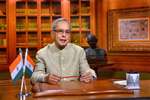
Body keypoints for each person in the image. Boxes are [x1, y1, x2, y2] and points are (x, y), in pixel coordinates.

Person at [31, 18, 96, 84]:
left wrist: (90, 76)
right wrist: (45, 78)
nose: (64, 35)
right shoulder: (42, 53)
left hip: (75, 92)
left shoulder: (79, 51)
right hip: (54, 92)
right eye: (60, 31)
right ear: (53, 33)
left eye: (67, 32)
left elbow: (87, 71)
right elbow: (34, 77)